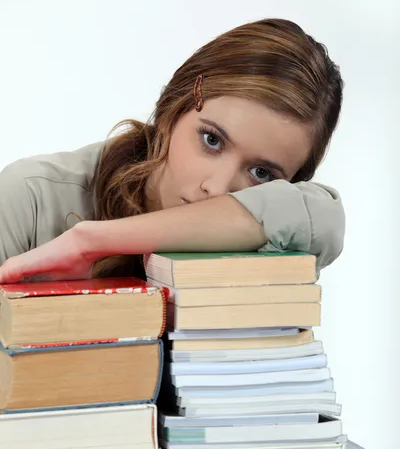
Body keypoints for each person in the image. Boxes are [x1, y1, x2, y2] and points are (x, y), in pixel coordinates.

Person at [0, 18, 345, 283]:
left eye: (261, 174)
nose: (218, 188)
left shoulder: (278, 234)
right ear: (173, 109)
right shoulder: (32, 197)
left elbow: (324, 218)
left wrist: (92, 241)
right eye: (212, 140)